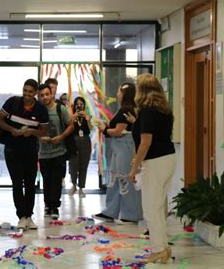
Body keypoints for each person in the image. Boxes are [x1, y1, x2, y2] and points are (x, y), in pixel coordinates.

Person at [128, 73, 176, 264]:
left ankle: (157, 249)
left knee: (150, 209)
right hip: (168, 158)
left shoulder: (148, 111)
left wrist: (134, 167)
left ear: (142, 90)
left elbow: (146, 142)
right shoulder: (164, 110)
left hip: (155, 161)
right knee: (158, 207)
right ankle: (163, 247)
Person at [0, 79, 49, 229]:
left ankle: (29, 217)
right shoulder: (13, 102)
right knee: (17, 183)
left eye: (30, 92)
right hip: (12, 150)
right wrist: (12, 130)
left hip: (31, 150)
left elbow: (44, 130)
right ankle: (21, 217)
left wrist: (31, 131)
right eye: (25, 91)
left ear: (36, 93)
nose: (26, 94)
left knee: (30, 184)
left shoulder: (41, 109)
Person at [92, 83, 143, 223]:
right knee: (114, 181)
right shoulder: (125, 108)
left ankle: (131, 215)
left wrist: (104, 129)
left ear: (124, 93)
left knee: (124, 180)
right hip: (118, 148)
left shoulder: (127, 109)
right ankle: (110, 212)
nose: (117, 93)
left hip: (124, 148)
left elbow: (119, 132)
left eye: (119, 90)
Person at [38, 84, 74, 219]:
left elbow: (71, 125)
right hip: (43, 153)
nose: (45, 97)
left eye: (47, 94)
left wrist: (61, 137)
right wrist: (39, 137)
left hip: (59, 151)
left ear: (52, 94)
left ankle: (55, 207)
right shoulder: (38, 110)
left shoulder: (61, 109)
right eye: (41, 95)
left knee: (56, 180)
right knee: (46, 180)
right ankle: (47, 205)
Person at [68, 96, 93, 198]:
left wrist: (87, 119)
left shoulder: (88, 116)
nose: (79, 106)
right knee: (73, 164)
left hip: (85, 141)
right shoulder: (71, 116)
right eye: (77, 104)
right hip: (74, 141)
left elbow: (91, 128)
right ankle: (74, 185)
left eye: (81, 104)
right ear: (75, 106)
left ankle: (81, 188)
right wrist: (73, 117)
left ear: (84, 106)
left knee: (84, 165)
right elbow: (68, 127)